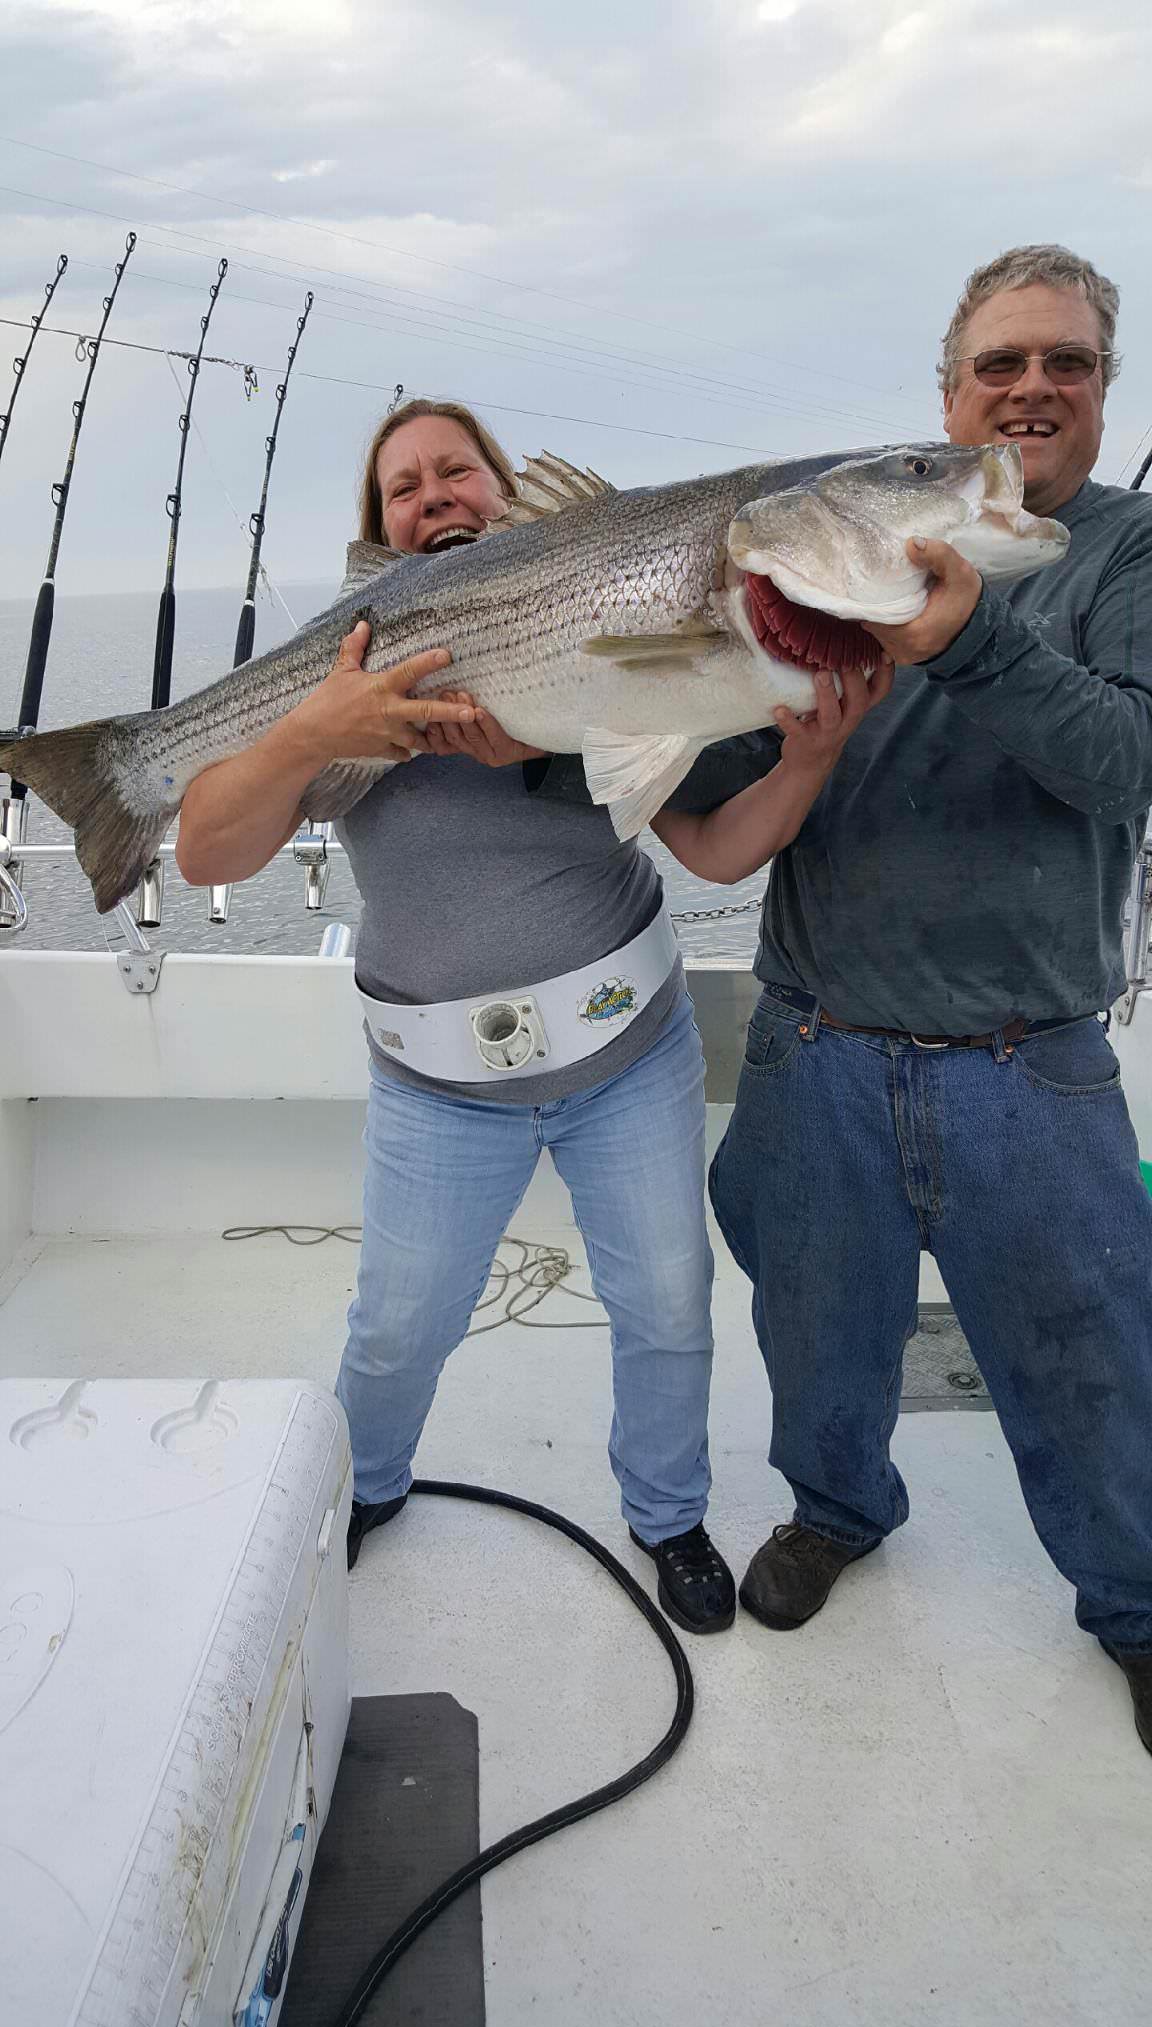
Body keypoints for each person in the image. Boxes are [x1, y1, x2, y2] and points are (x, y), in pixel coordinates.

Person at [174, 398, 882, 1634]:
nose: (436, 493)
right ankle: (363, 1485)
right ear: (379, 531)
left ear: (509, 495)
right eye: (405, 486)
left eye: (460, 469)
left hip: (627, 1056)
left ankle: (667, 1512)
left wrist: (810, 760)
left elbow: (714, 850)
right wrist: (310, 730)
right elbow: (202, 848)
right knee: (398, 1327)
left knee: (667, 1301)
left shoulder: (591, 632)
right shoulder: (340, 675)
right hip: (438, 1092)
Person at [655, 244, 1152, 1755]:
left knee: (1095, 1368)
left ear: (1105, 394)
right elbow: (725, 770)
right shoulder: (823, 563)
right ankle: (837, 1511)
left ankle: (1134, 1602)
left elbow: (1131, 757)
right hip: (818, 1043)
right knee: (816, 1332)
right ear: (947, 401)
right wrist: (567, 717)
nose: (1033, 388)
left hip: (1034, 1061)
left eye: (1067, 362)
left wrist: (971, 637)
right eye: (1000, 365)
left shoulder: (1120, 555)